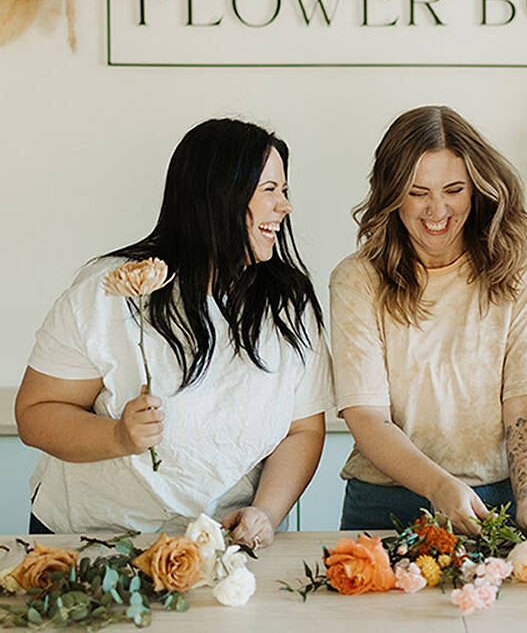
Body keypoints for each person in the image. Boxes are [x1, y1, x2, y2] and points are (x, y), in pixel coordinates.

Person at [16, 118, 333, 548]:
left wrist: (266, 513)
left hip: (220, 544)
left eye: (284, 190)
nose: (285, 206)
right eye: (269, 190)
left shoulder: (288, 305)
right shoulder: (111, 289)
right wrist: (117, 436)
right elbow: (36, 413)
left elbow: (302, 430)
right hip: (91, 538)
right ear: (220, 195)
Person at [330, 105, 527, 540]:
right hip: (383, 503)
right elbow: (366, 416)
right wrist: (439, 486)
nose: (437, 209)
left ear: (477, 190)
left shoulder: (521, 276)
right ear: (391, 194)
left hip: (493, 501)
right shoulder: (357, 279)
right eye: (417, 192)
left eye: (454, 190)